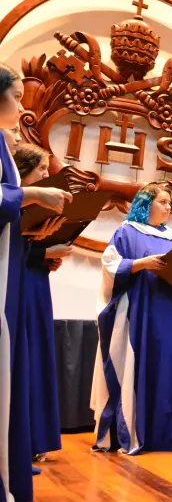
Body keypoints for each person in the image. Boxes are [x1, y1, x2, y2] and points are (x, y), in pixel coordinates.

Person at [0, 63, 71, 502]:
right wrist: (31, 197)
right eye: (17, 96)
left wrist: (40, 240)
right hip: (8, 281)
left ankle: (14, 457)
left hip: (17, 274)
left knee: (19, 366)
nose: (23, 106)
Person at [90, 183, 172, 455]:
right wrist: (142, 264)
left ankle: (163, 436)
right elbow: (110, 266)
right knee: (135, 370)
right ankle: (133, 433)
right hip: (138, 311)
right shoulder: (127, 231)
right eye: (163, 202)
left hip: (168, 313)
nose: (169, 207)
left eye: (170, 203)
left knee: (166, 374)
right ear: (146, 204)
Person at [13, 144, 74, 463]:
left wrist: (45, 257)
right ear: (23, 172)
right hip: (16, 285)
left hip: (36, 283)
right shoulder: (11, 204)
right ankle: (19, 440)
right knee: (20, 357)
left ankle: (35, 439)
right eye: (41, 170)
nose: (47, 175)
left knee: (36, 355)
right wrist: (43, 252)